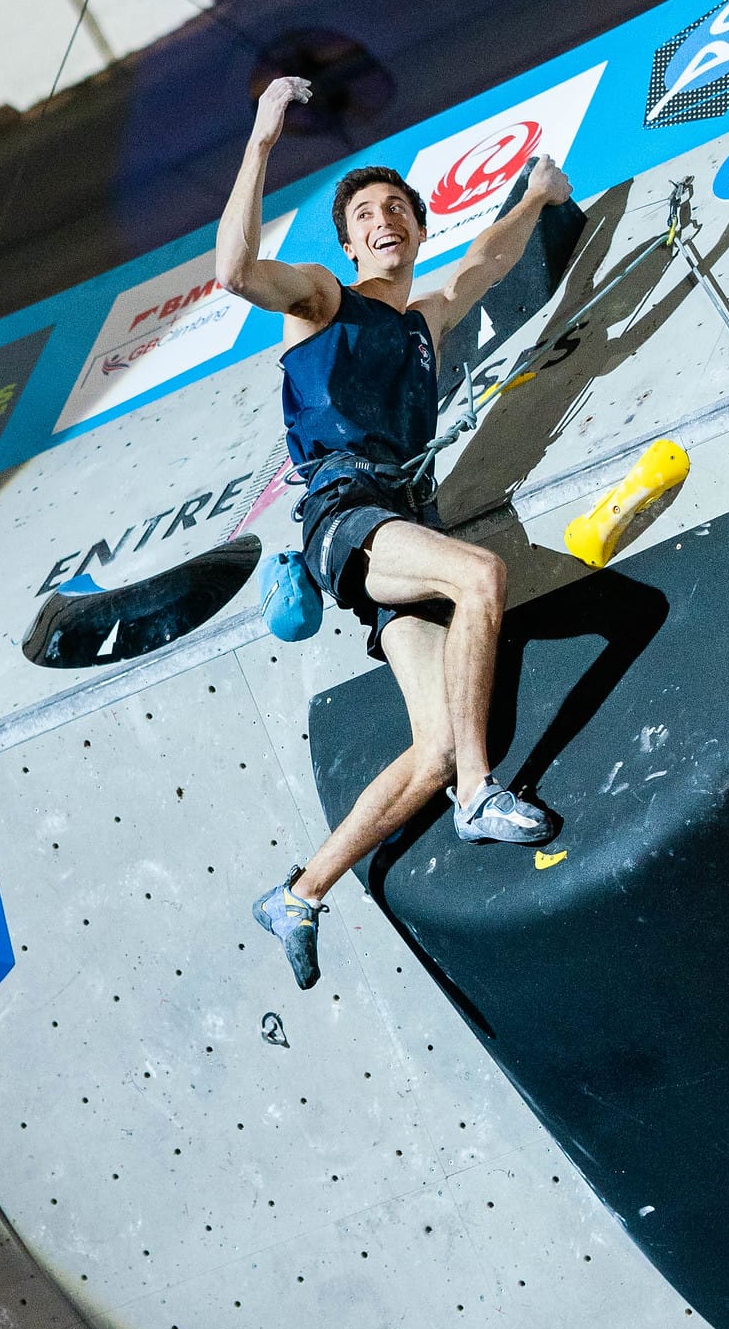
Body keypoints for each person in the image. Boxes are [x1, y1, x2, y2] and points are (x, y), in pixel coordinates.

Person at [215, 74, 572, 989]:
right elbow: (233, 272)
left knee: (433, 744)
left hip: (400, 528)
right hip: (346, 516)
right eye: (365, 213)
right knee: (481, 578)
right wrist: (261, 140)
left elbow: (487, 260)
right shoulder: (323, 299)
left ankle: (299, 891)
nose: (383, 221)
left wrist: (536, 194)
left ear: (416, 227)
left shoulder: (422, 319)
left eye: (396, 211)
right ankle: (482, 796)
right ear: (346, 241)